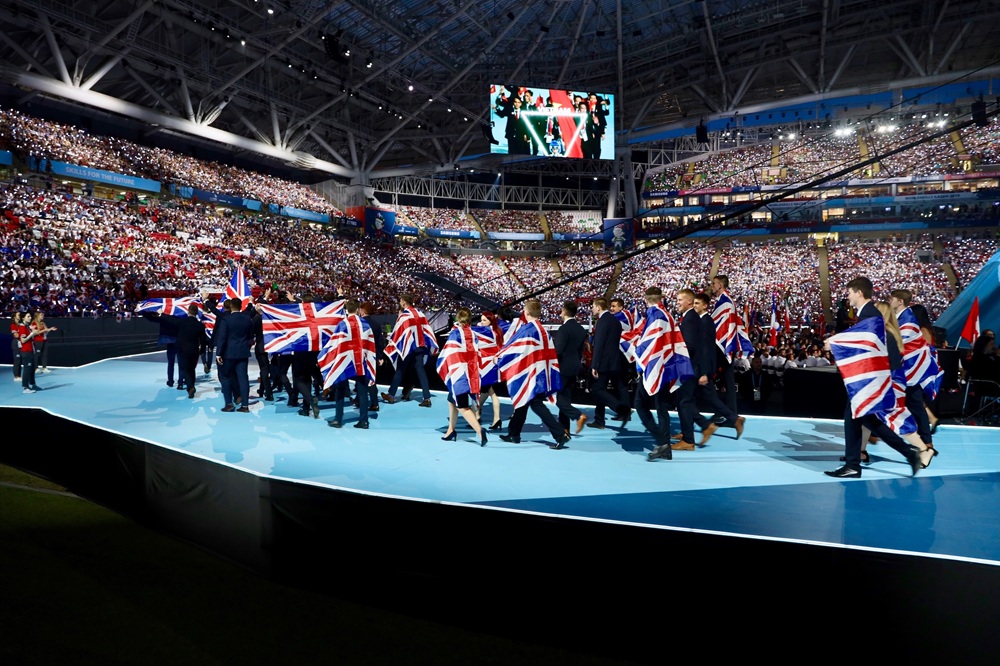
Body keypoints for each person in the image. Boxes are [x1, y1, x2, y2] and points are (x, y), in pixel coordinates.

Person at [824, 278, 926, 478]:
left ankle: (855, 464)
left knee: (858, 419)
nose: (848, 297)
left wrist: (835, 343)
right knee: (864, 419)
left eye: (849, 292)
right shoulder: (869, 313)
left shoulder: (869, 314)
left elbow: (864, 342)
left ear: (859, 293)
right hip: (871, 378)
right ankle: (906, 453)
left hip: (870, 379)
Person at [497, 299, 570, 449]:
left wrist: (499, 356)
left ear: (526, 312)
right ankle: (514, 433)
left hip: (530, 374)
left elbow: (514, 347)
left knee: (536, 404)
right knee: (523, 402)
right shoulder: (543, 330)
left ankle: (559, 434)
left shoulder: (528, 330)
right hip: (540, 373)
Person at [639, 287, 692, 462]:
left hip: (658, 367)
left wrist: (640, 360)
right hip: (666, 366)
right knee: (661, 407)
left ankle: (661, 441)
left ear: (646, 299)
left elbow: (649, 343)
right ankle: (664, 445)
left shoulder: (655, 315)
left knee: (642, 404)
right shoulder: (666, 314)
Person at [672, 289, 726, 451]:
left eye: (680, 299)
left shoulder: (690, 319)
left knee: (684, 402)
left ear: (689, 301)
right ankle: (694, 429)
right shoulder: (691, 317)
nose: (677, 302)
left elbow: (690, 346)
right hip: (692, 367)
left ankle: (690, 439)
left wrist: (675, 354)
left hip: (689, 367)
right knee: (684, 401)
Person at [691, 292, 745, 438]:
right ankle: (733, 419)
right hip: (700, 367)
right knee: (700, 397)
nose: (694, 306)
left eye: (697, 303)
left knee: (688, 399)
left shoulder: (706, 322)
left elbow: (705, 349)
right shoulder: (702, 321)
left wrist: (704, 372)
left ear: (705, 306)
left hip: (702, 368)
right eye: (694, 303)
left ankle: (699, 428)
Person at [321, 299, 376, 429]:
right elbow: (370, 345)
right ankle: (364, 421)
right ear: (357, 309)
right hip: (361, 362)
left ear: (346, 310)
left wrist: (324, 356)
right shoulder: (365, 324)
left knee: (340, 390)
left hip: (345, 362)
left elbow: (334, 344)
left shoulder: (342, 324)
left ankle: (338, 419)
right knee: (362, 392)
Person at [437, 307, 487, 446]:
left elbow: (448, 354)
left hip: (458, 375)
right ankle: (451, 430)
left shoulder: (455, 333)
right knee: (451, 400)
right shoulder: (473, 334)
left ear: (458, 318)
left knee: (462, 406)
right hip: (470, 374)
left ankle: (479, 430)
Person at [381, 293, 438, 408]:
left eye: (400, 301)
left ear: (403, 301)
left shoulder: (404, 316)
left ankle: (391, 395)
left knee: (400, 370)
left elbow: (398, 333)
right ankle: (427, 398)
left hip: (408, 348)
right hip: (420, 347)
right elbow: (427, 330)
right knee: (421, 371)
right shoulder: (420, 314)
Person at [587, 297, 632, 429]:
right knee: (607, 388)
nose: (592, 309)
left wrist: (594, 365)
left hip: (603, 362)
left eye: (593, 307)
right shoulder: (615, 320)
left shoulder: (602, 321)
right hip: (615, 361)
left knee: (597, 389)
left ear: (598, 307)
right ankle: (599, 420)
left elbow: (599, 344)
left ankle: (619, 408)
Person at [553, 300, 588, 436]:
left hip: (562, 367)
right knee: (566, 398)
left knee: (557, 399)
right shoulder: (581, 329)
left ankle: (578, 415)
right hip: (575, 367)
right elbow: (580, 351)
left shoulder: (563, 329)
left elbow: (558, 350)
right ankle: (565, 429)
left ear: (564, 311)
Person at [214, 297, 254, 413]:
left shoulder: (226, 319)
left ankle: (229, 404)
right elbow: (251, 337)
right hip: (242, 353)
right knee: (243, 379)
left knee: (225, 377)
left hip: (228, 354)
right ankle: (245, 406)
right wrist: (245, 346)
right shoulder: (247, 319)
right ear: (241, 306)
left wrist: (218, 354)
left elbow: (222, 338)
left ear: (231, 306)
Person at [158, 304, 206, 399]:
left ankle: (190, 387)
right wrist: (202, 351)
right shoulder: (200, 325)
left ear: (188, 311)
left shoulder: (183, 322)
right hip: (194, 351)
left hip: (183, 350)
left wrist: (162, 314)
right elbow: (203, 340)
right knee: (191, 369)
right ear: (196, 313)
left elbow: (171, 320)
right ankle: (191, 386)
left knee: (185, 369)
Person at [474, 311, 504, 430]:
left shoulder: (486, 331)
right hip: (494, 364)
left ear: (490, 321)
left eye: (484, 320)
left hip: (487, 366)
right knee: (488, 391)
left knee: (491, 392)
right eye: (481, 320)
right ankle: (483, 415)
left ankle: (490, 417)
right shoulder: (498, 330)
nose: (481, 322)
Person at [17, 311, 45, 393]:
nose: (30, 318)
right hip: (26, 351)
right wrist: (32, 334)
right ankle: (25, 387)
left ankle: (33, 384)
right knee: (27, 369)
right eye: (28, 316)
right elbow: (23, 340)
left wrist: (33, 332)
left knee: (32, 369)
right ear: (23, 318)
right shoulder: (22, 327)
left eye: (30, 316)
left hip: (31, 350)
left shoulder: (27, 327)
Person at [10, 312, 23, 383]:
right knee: (17, 360)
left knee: (20, 360)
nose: (20, 316)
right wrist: (23, 333)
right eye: (18, 315)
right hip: (15, 343)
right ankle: (16, 376)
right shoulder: (13, 325)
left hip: (21, 343)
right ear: (14, 317)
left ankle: (19, 375)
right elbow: (16, 335)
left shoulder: (20, 324)